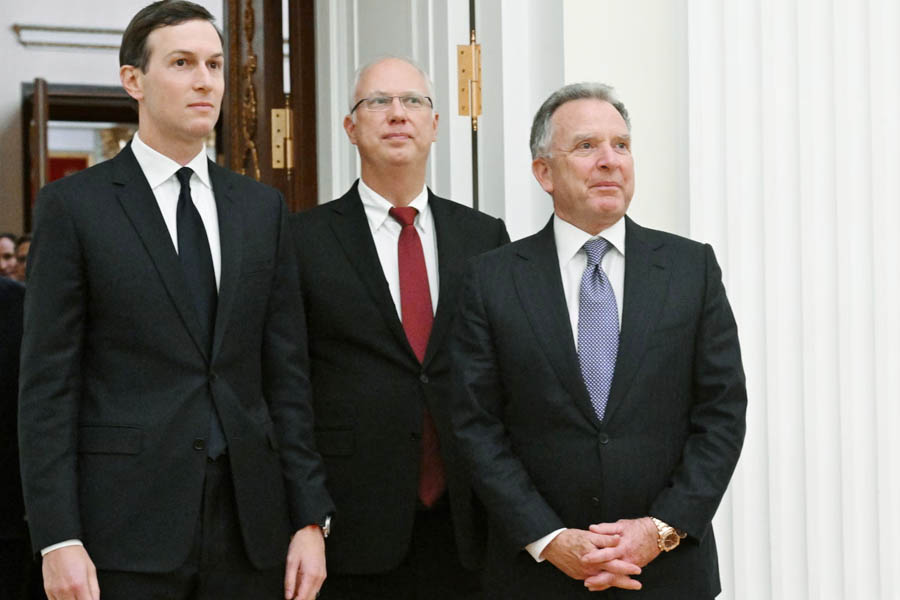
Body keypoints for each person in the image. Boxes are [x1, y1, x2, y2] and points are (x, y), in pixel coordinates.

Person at [18, 2, 333, 599]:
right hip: (121, 530)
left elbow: (287, 378)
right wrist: (57, 537)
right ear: (133, 79)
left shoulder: (261, 209)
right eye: (182, 63)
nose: (204, 81)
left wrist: (309, 516)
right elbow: (47, 388)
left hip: (251, 527)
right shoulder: (74, 207)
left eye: (214, 65)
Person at [448, 82, 747, 598]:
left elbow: (722, 413)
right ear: (544, 172)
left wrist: (660, 529)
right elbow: (475, 425)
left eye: (621, 145)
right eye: (587, 146)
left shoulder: (690, 268)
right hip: (536, 576)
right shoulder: (491, 279)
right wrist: (549, 538)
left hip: (667, 571)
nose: (610, 160)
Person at [291, 56, 509, 599]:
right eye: (378, 102)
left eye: (413, 101)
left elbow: (504, 378)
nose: (397, 114)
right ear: (350, 127)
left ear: (434, 125)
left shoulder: (484, 238)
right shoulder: (301, 240)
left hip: (467, 526)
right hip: (351, 526)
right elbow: (287, 388)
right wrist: (306, 514)